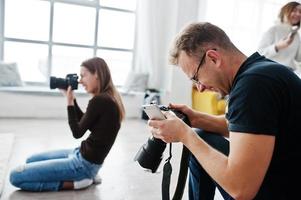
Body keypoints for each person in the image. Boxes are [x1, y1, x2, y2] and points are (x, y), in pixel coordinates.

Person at [148, 22, 301, 199]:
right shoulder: (262, 72)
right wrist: (194, 118)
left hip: (283, 190)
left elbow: (241, 189)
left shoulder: (252, 86)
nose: (200, 88)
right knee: (203, 136)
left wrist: (185, 135)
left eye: (196, 78)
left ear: (213, 58)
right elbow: (245, 126)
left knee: (199, 140)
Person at [9, 57, 125, 191]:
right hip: (80, 154)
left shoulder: (100, 100)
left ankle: (79, 182)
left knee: (15, 176)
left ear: (97, 74)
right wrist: (71, 98)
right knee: (31, 160)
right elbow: (87, 123)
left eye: (83, 76)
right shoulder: (108, 97)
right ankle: (88, 176)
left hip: (83, 165)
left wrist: (69, 103)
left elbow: (77, 132)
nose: (80, 81)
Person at [258, 1, 301, 71]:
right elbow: (260, 53)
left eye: (300, 12)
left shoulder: (296, 35)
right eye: (294, 10)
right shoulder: (273, 30)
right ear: (286, 11)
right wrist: (277, 46)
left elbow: (298, 58)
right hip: (271, 70)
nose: (298, 14)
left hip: (289, 71)